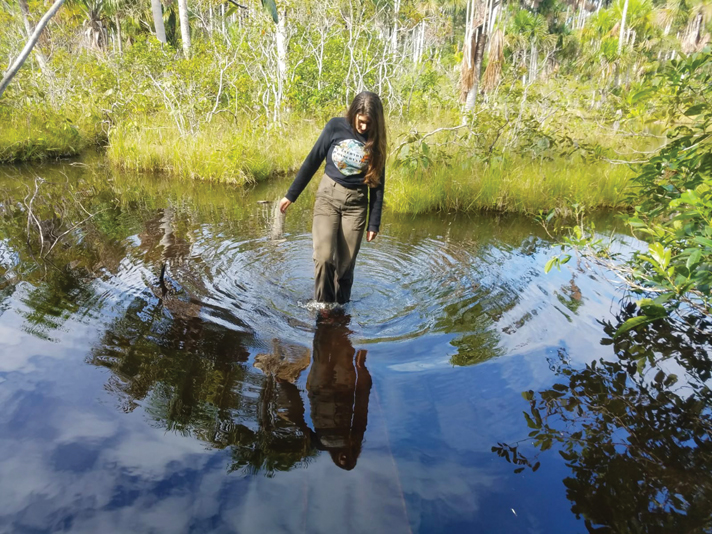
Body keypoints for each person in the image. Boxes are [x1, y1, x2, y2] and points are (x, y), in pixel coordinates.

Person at [279, 91, 387, 304]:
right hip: (328, 196)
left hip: (356, 205)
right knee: (324, 258)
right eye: (361, 121)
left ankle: (341, 309)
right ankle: (323, 308)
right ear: (353, 113)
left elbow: (378, 184)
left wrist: (374, 223)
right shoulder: (335, 126)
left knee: (345, 267)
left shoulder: (377, 140)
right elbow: (312, 161)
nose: (363, 127)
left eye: (368, 123)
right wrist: (291, 195)